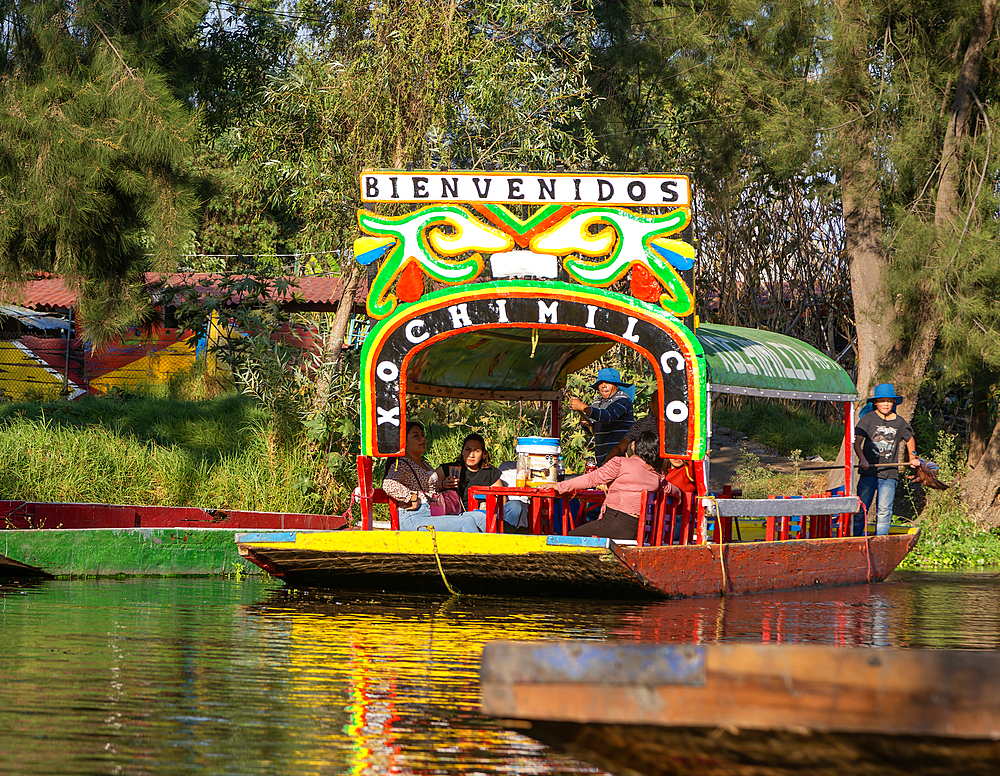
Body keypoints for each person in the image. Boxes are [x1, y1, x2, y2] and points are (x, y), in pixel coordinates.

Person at [556, 430, 681, 541]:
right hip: (637, 530)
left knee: (571, 537)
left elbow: (592, 479)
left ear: (634, 446)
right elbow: (673, 490)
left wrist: (559, 486)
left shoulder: (620, 463)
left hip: (615, 523)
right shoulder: (656, 475)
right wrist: (679, 497)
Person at [381, 422, 481, 533]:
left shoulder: (425, 463)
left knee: (481, 518)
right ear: (404, 442)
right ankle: (477, 550)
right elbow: (388, 484)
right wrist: (412, 497)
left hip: (432, 511)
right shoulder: (401, 464)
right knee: (466, 522)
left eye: (422, 435)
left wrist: (442, 485)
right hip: (414, 516)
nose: (422, 439)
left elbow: (424, 486)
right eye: (416, 436)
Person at [853, 383, 918, 537]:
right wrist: (862, 459)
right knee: (861, 509)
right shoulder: (867, 419)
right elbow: (856, 443)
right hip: (868, 472)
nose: (886, 404)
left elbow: (910, 439)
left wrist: (912, 457)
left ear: (893, 402)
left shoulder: (900, 422)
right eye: (882, 401)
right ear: (875, 402)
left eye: (889, 400)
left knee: (884, 511)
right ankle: (854, 539)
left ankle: (880, 542)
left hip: (889, 474)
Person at [437, 433, 526, 532]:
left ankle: (498, 539)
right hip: (460, 516)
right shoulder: (449, 469)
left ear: (483, 454)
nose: (471, 455)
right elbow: (427, 484)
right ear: (462, 451)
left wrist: (488, 505)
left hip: (486, 515)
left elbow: (502, 501)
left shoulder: (490, 472)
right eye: (468, 450)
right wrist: (442, 484)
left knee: (515, 506)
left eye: (476, 451)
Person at [567, 367, 635, 465]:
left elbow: (607, 416)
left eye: (607, 383)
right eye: (601, 383)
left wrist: (583, 407)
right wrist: (586, 424)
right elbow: (594, 430)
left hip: (621, 459)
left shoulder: (622, 399)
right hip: (603, 459)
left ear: (616, 385)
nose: (603, 386)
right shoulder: (597, 402)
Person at [606, 389, 660, 462]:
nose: (663, 408)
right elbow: (620, 448)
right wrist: (606, 466)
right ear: (651, 406)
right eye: (659, 404)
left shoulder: (678, 425)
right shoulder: (642, 424)